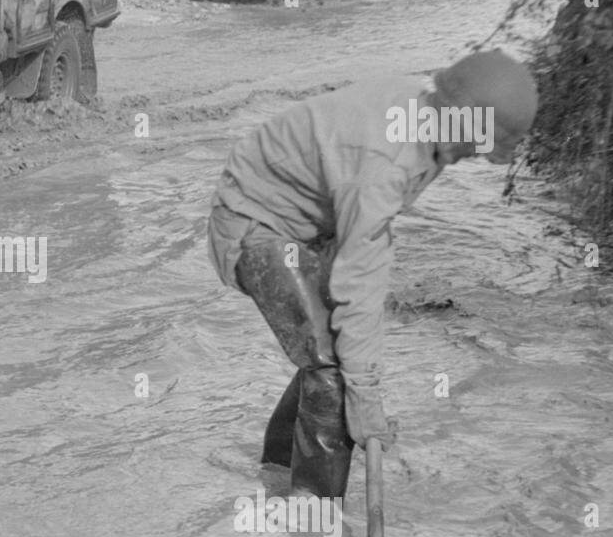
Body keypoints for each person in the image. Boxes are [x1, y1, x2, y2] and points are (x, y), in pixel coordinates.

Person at [207, 50, 538, 498]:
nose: (472, 157)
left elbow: (365, 254)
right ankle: (314, 525)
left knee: (331, 353)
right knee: (332, 370)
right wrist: (363, 397)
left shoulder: (428, 117)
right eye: (477, 145)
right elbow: (359, 277)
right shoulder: (389, 159)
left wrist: (360, 377)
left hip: (308, 224)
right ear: (464, 122)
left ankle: (278, 475)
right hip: (253, 221)